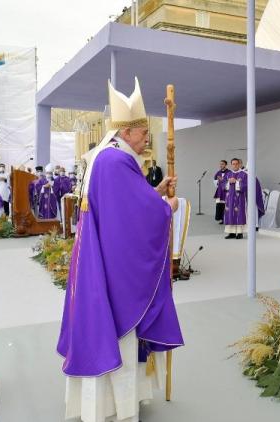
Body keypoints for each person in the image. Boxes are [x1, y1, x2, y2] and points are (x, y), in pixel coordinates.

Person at [57, 78, 183, 422]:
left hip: (101, 257)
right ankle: (116, 408)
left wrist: (154, 192)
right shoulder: (115, 161)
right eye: (143, 134)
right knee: (120, 331)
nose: (146, 140)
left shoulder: (108, 157)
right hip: (112, 269)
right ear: (126, 132)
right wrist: (166, 207)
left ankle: (119, 402)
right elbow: (133, 219)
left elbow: (123, 207)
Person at [223, 158, 248, 239]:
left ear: (239, 164)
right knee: (230, 213)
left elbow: (245, 186)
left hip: (239, 198)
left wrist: (236, 182)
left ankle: (240, 233)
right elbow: (222, 185)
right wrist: (228, 182)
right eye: (233, 164)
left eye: (236, 164)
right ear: (231, 165)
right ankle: (231, 233)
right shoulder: (228, 174)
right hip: (229, 198)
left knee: (239, 214)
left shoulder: (244, 174)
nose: (235, 165)